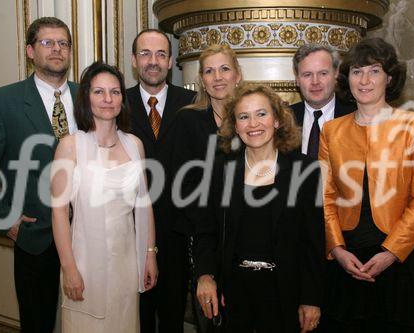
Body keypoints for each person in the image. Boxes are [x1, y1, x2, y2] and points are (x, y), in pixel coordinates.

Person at [319, 37, 414, 332]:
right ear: (347, 79)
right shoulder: (331, 131)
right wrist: (338, 250)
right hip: (346, 263)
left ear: (390, 78)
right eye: (356, 72)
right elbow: (325, 197)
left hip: (399, 263)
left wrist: (390, 253)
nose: (364, 80)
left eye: (374, 71)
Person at [0, 17, 77, 332]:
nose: (57, 49)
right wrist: (4, 217)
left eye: (63, 43)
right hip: (35, 236)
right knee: (37, 324)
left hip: (87, 235)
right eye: (47, 43)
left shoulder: (91, 98)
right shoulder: (2, 102)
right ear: (30, 50)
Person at [194, 84, 325, 333]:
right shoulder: (220, 169)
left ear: (277, 120)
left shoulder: (304, 169)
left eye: (261, 114)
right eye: (244, 116)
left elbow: (313, 241)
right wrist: (206, 275)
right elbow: (206, 229)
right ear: (235, 125)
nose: (253, 124)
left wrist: (311, 299)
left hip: (285, 295)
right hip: (232, 296)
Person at [51, 61, 157, 332]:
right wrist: (69, 268)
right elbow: (59, 212)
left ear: (123, 98)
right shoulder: (70, 146)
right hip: (84, 262)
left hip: (126, 262)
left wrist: (149, 255)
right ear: (86, 98)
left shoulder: (135, 145)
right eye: (99, 92)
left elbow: (144, 205)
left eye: (115, 92)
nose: (108, 99)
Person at [126, 29, 196, 333]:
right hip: (129, 231)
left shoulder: (193, 102)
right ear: (133, 60)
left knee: (173, 318)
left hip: (179, 232)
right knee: (135, 319)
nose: (152, 61)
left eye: (160, 54)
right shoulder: (117, 103)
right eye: (145, 54)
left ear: (171, 62)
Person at [171, 44, 242, 331]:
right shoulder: (188, 120)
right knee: (211, 319)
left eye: (224, 68)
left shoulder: (253, 118)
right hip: (203, 237)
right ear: (201, 79)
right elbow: (183, 185)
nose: (218, 77)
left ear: (237, 74)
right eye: (209, 71)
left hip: (248, 237)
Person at [291, 44, 355, 159]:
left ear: (336, 74)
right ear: (297, 79)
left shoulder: (356, 116)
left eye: (323, 73)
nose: (315, 81)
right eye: (307, 75)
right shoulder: (284, 119)